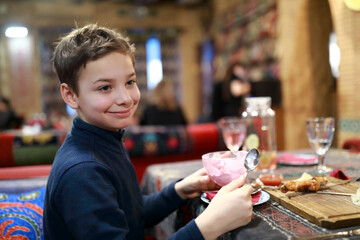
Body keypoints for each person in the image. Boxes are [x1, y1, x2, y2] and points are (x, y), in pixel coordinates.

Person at [43, 24, 253, 240]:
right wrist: (210, 225)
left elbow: (130, 214)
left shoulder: (107, 139)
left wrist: (179, 190)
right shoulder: (83, 170)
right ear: (70, 95)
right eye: (105, 87)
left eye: (130, 82)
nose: (125, 98)